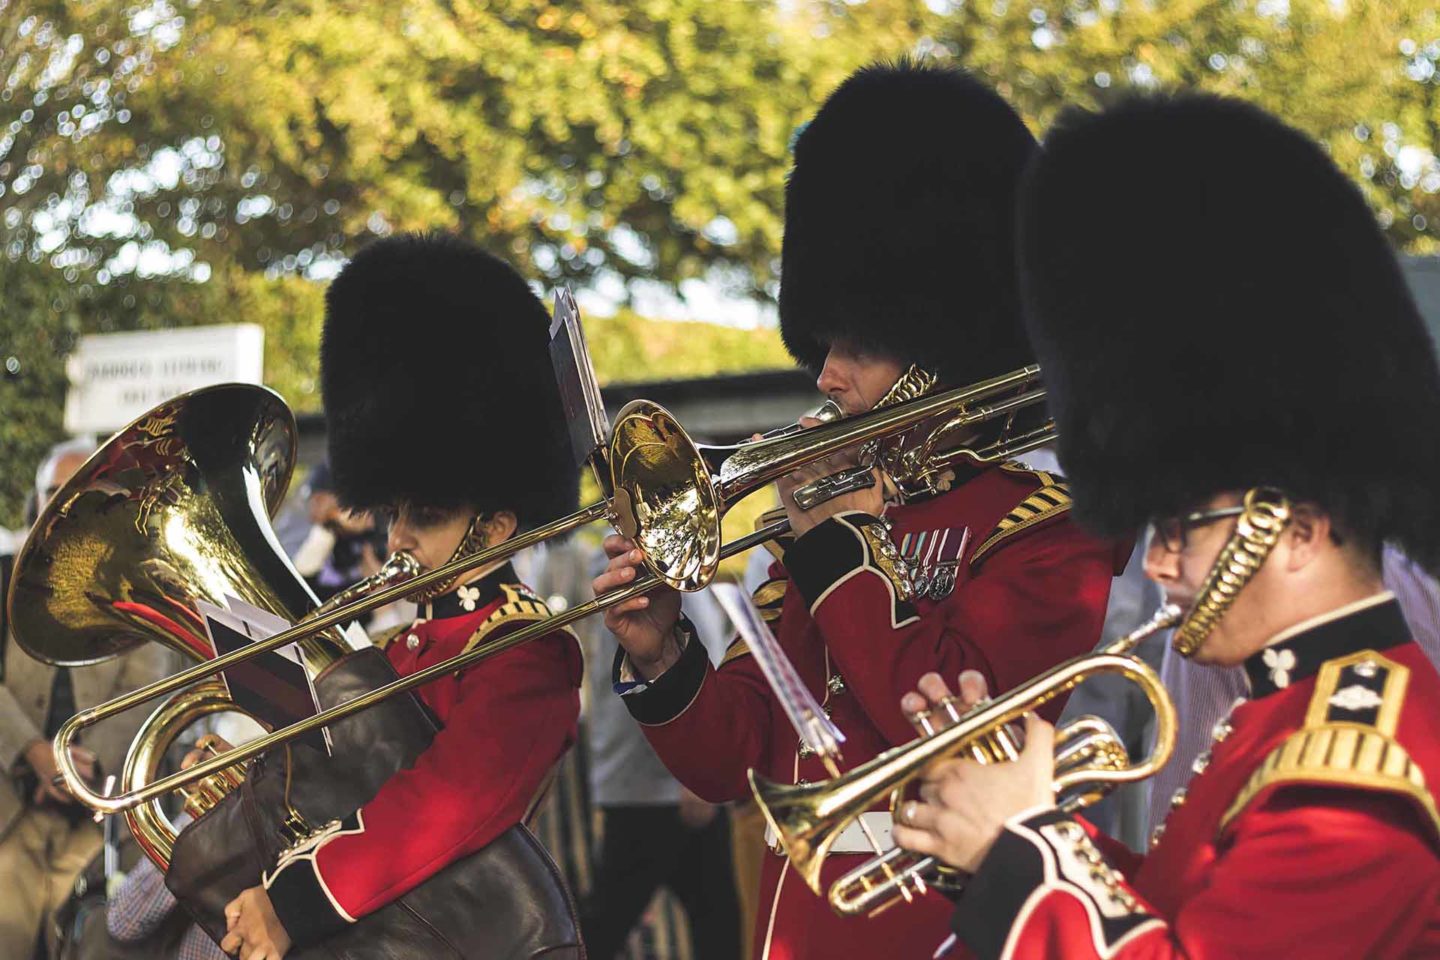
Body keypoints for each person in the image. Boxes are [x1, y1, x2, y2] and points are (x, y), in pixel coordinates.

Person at [594, 60, 1129, 960]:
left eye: (860, 346)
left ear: (937, 357)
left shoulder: (1041, 527)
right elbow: (737, 755)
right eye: (826, 341)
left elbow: (955, 731)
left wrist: (840, 551)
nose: (825, 375)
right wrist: (663, 651)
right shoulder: (821, 524)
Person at [891, 94, 1440, 959]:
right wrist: (1000, 830)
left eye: (1184, 523)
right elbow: (1181, 909)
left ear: (1297, 526)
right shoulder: (1278, 718)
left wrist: (1020, 853)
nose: (1158, 559)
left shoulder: (1354, 768)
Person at [216, 232, 585, 959]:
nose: (399, 539)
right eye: (395, 514)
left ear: (497, 526)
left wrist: (298, 902)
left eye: (427, 516)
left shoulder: (529, 653)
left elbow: (446, 801)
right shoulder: (396, 646)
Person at [0, 437, 174, 960]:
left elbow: (147, 691)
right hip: (14, 800)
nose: (58, 507)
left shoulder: (136, 582)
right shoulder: (4, 575)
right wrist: (36, 753)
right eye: (50, 493)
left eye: (73, 494)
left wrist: (83, 766)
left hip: (100, 812)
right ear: (35, 505)